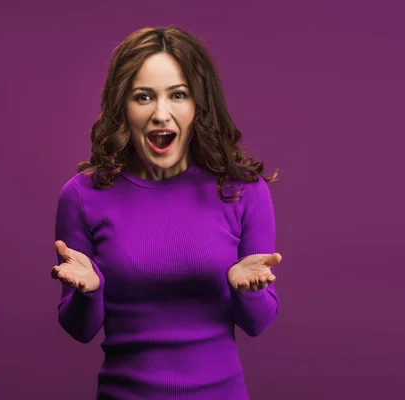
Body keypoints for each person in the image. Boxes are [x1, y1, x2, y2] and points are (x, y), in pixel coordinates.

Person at [50, 25, 283, 400]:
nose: (161, 113)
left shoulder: (243, 191)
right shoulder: (81, 196)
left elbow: (259, 322)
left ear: (199, 104)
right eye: (143, 97)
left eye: (178, 94)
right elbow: (79, 329)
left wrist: (248, 289)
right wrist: (88, 292)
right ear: (122, 107)